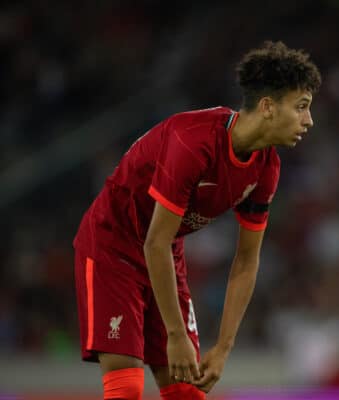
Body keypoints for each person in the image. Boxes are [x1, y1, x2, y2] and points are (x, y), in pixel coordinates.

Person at [73, 41, 321, 400]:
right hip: (113, 246)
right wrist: (175, 335)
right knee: (127, 387)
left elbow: (247, 260)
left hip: (164, 255)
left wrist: (223, 347)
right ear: (267, 107)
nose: (309, 120)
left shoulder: (266, 168)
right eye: (301, 107)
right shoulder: (194, 142)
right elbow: (154, 241)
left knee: (187, 392)